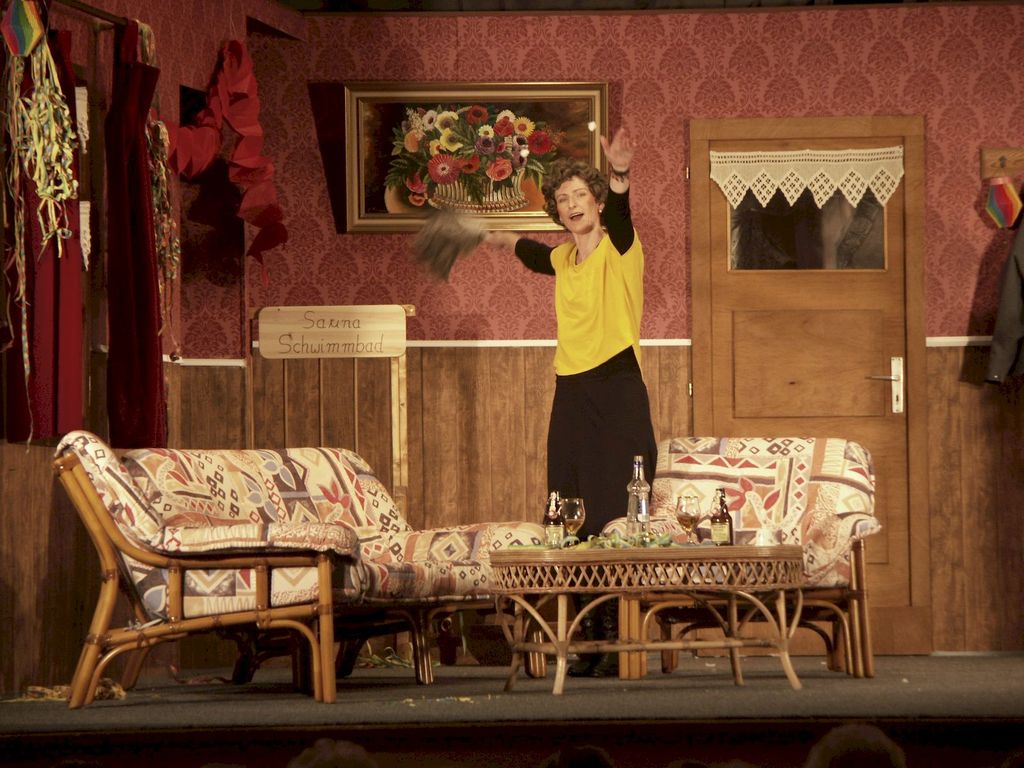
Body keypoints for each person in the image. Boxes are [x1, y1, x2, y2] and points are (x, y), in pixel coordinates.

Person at [487, 127, 657, 676]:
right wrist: (498, 237)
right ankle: (585, 632)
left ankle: (614, 631)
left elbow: (624, 215)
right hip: (572, 392)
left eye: (581, 195)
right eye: (563, 199)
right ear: (557, 212)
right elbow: (534, 255)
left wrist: (620, 173)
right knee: (568, 506)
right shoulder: (564, 259)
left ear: (597, 202)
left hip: (617, 389)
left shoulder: (621, 247)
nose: (571, 204)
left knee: (615, 509)